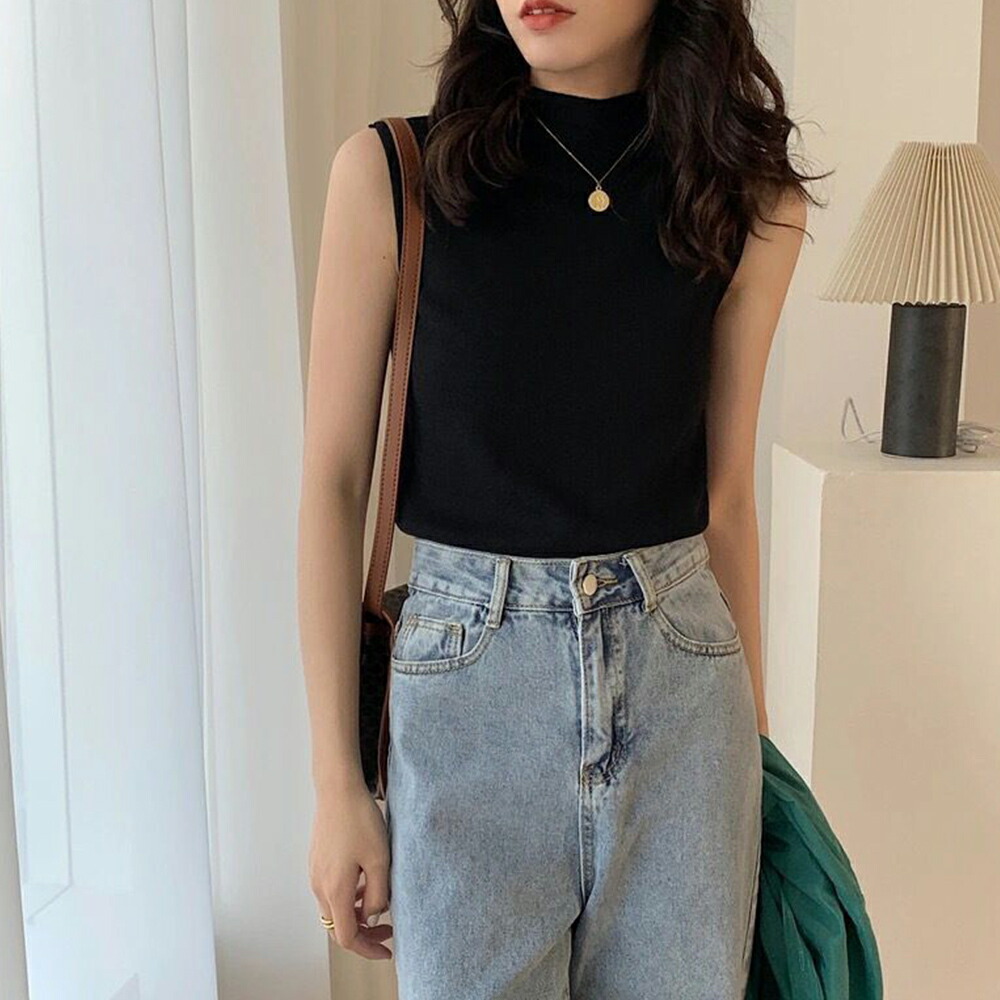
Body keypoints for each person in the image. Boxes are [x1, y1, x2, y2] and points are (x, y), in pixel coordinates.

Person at [297, 1, 818, 996]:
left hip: (685, 699)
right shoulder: (393, 176)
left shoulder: (747, 201)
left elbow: (724, 499)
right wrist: (336, 785)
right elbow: (332, 483)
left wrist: (754, 757)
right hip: (465, 699)